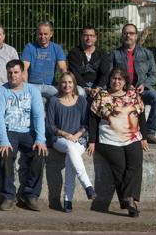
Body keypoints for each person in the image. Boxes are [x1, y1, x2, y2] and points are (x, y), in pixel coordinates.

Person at [88, 67, 149, 218]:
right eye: (114, 78)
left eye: (120, 79)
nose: (116, 81)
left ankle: (128, 200)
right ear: (109, 79)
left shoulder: (133, 95)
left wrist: (144, 137)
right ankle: (130, 202)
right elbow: (93, 119)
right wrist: (92, 141)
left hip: (132, 137)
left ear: (125, 82)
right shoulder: (102, 95)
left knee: (135, 165)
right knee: (120, 169)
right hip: (109, 140)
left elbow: (141, 115)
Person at [0, 59, 47, 211]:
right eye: (10, 73)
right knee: (5, 153)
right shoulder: (1, 91)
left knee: (39, 151)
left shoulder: (33, 91)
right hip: (9, 131)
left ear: (23, 73)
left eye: (16, 72)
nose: (13, 76)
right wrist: (3, 140)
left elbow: (38, 116)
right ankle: (8, 196)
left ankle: (30, 195)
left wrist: (40, 139)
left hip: (27, 131)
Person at [45, 72, 96, 213]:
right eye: (64, 82)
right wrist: (66, 134)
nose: (67, 85)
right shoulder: (53, 100)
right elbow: (50, 126)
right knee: (69, 146)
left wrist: (77, 135)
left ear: (74, 84)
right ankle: (87, 185)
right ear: (60, 84)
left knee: (70, 157)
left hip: (79, 139)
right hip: (59, 139)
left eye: (70, 82)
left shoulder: (81, 101)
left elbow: (86, 124)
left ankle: (68, 200)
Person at [110, 23, 156, 144]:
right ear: (122, 35)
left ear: (136, 36)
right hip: (122, 92)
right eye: (125, 33)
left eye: (131, 33)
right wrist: (122, 86)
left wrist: (144, 85)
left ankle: (149, 132)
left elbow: (154, 74)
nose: (128, 35)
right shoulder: (115, 54)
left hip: (142, 89)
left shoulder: (146, 53)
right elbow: (110, 74)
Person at [21, 21, 70, 100]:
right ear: (36, 34)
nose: (42, 36)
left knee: (63, 98)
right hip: (33, 85)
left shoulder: (57, 48)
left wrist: (65, 84)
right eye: (40, 34)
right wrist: (26, 88)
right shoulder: (29, 47)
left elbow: (62, 68)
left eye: (45, 34)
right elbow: (24, 69)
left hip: (51, 86)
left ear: (51, 34)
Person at [68, 26, 110, 99]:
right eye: (86, 35)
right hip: (80, 86)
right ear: (81, 37)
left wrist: (98, 87)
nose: (89, 38)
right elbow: (75, 74)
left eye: (91, 36)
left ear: (96, 38)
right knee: (80, 93)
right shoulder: (74, 53)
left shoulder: (102, 53)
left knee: (104, 96)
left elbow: (105, 73)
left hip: (98, 86)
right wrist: (86, 87)